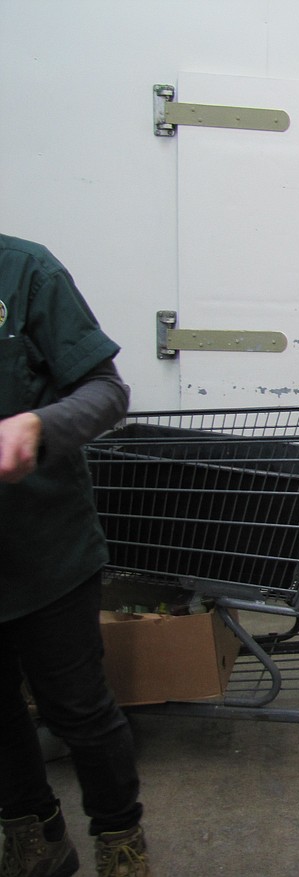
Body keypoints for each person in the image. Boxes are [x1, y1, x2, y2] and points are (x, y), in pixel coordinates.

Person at [0, 234, 150, 876]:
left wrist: (38, 426)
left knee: (77, 712)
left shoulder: (23, 272)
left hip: (44, 552)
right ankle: (33, 832)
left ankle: (120, 840)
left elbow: (105, 391)